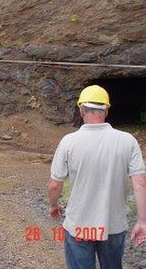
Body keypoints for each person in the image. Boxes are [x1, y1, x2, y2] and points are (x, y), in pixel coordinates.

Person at [48, 85, 146, 269]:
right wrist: (142, 221)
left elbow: (55, 185)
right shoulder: (127, 140)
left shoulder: (69, 141)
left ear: (81, 109)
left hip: (79, 226)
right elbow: (140, 182)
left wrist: (54, 205)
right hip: (114, 226)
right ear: (106, 111)